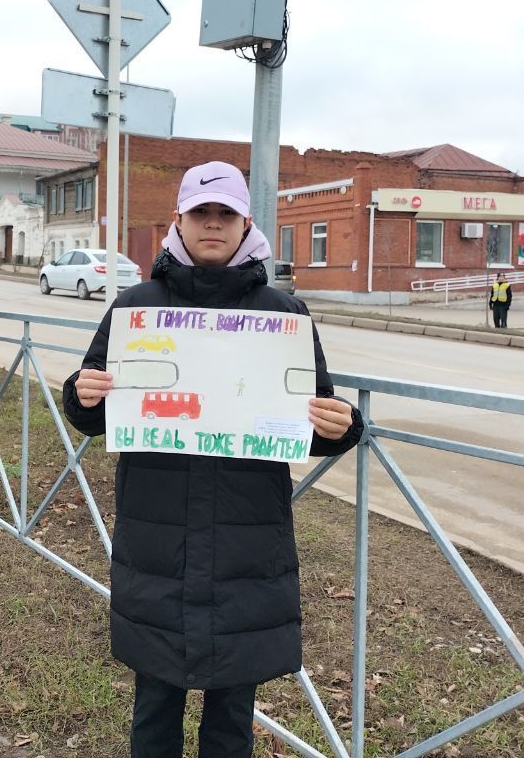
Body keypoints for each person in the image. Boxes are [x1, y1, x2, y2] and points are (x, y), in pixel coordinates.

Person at [62, 161, 363, 758]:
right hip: (158, 537)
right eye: (202, 213)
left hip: (247, 541)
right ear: (180, 219)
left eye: (226, 214)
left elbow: (312, 413)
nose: (213, 225)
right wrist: (81, 392)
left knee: (232, 714)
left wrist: (340, 426)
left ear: (245, 222)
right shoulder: (136, 308)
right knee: (155, 706)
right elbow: (93, 407)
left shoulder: (284, 315)